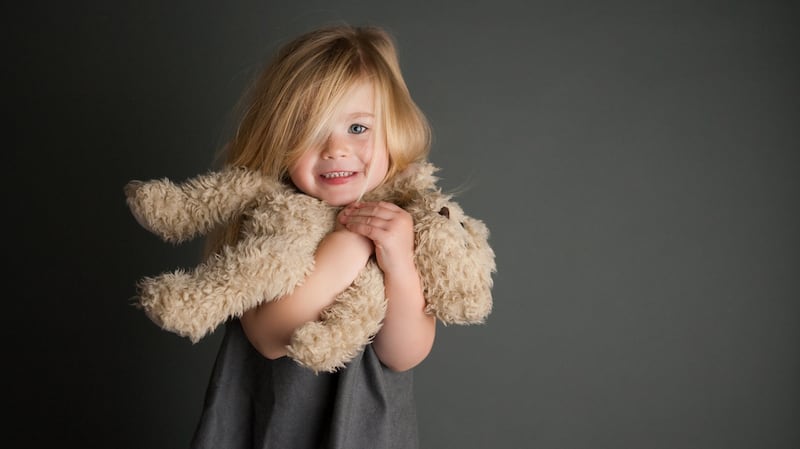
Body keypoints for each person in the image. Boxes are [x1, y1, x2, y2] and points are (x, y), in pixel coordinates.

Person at [188, 24, 444, 449]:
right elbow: (270, 338)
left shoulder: (401, 221)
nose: (335, 149)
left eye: (357, 129)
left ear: (393, 131)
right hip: (276, 424)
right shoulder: (269, 215)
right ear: (278, 139)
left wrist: (399, 262)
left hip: (368, 433)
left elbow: (403, 354)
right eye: (308, 130)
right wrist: (348, 247)